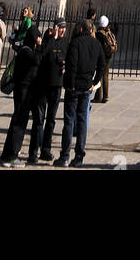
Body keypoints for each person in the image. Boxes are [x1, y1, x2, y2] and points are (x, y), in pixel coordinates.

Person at [54, 20, 105, 168]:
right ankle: (79, 157)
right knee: (82, 122)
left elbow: (72, 65)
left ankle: (64, 156)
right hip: (86, 88)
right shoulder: (96, 44)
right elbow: (102, 64)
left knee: (69, 122)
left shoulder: (75, 43)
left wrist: (70, 84)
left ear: (81, 29)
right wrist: (94, 82)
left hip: (74, 87)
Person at [1, 24, 45, 166]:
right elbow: (38, 59)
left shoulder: (25, 50)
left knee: (17, 121)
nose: (40, 39)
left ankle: (8, 154)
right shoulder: (26, 51)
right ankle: (11, 156)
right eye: (38, 37)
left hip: (24, 91)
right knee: (19, 122)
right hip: (23, 91)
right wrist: (42, 44)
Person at [34, 19, 67, 161]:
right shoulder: (48, 39)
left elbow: (70, 58)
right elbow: (41, 55)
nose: (63, 31)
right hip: (43, 84)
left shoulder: (66, 42)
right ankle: (34, 149)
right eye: (60, 28)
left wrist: (66, 65)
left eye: (64, 28)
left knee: (51, 120)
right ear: (55, 28)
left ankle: (46, 149)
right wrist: (52, 38)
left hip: (57, 84)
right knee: (39, 119)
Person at [95, 14, 117, 103]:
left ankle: (99, 96)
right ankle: (106, 96)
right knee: (106, 76)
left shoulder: (99, 34)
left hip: (101, 57)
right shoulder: (109, 32)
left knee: (100, 75)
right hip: (108, 56)